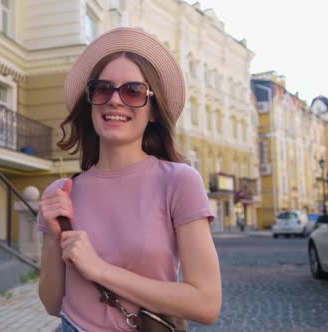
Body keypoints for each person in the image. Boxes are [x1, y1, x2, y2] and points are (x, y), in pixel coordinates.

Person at [38, 27, 222, 331]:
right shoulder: (62, 193)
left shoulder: (179, 181)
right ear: (91, 103)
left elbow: (206, 303)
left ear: (152, 111)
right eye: (102, 89)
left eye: (133, 91)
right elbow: (52, 303)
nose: (114, 100)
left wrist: (99, 269)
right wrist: (51, 237)